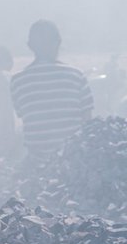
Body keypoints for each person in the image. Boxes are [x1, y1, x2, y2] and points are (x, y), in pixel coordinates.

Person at [9, 20, 94, 161]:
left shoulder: (18, 81)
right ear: (58, 43)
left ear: (30, 46)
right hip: (74, 162)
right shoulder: (76, 76)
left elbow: (25, 116)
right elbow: (88, 123)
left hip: (38, 162)